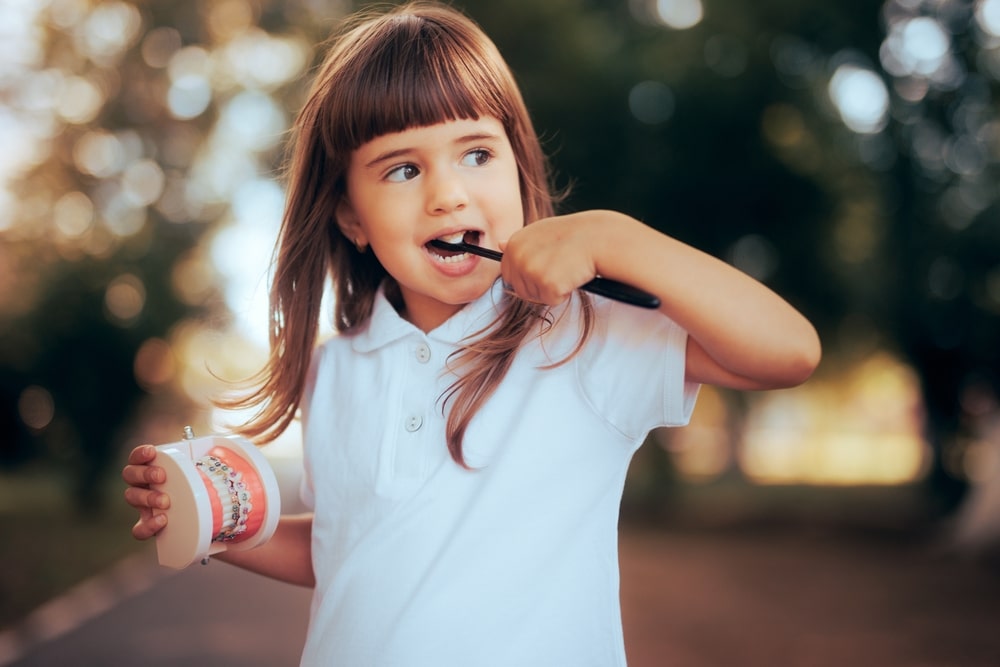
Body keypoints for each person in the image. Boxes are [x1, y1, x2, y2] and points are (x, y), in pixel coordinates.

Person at [123, 2, 821, 664]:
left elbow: (790, 350)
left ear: (519, 167)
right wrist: (215, 516)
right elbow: (348, 549)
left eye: (477, 154)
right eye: (402, 168)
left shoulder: (583, 336)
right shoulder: (331, 373)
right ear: (350, 217)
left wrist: (614, 238)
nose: (448, 193)